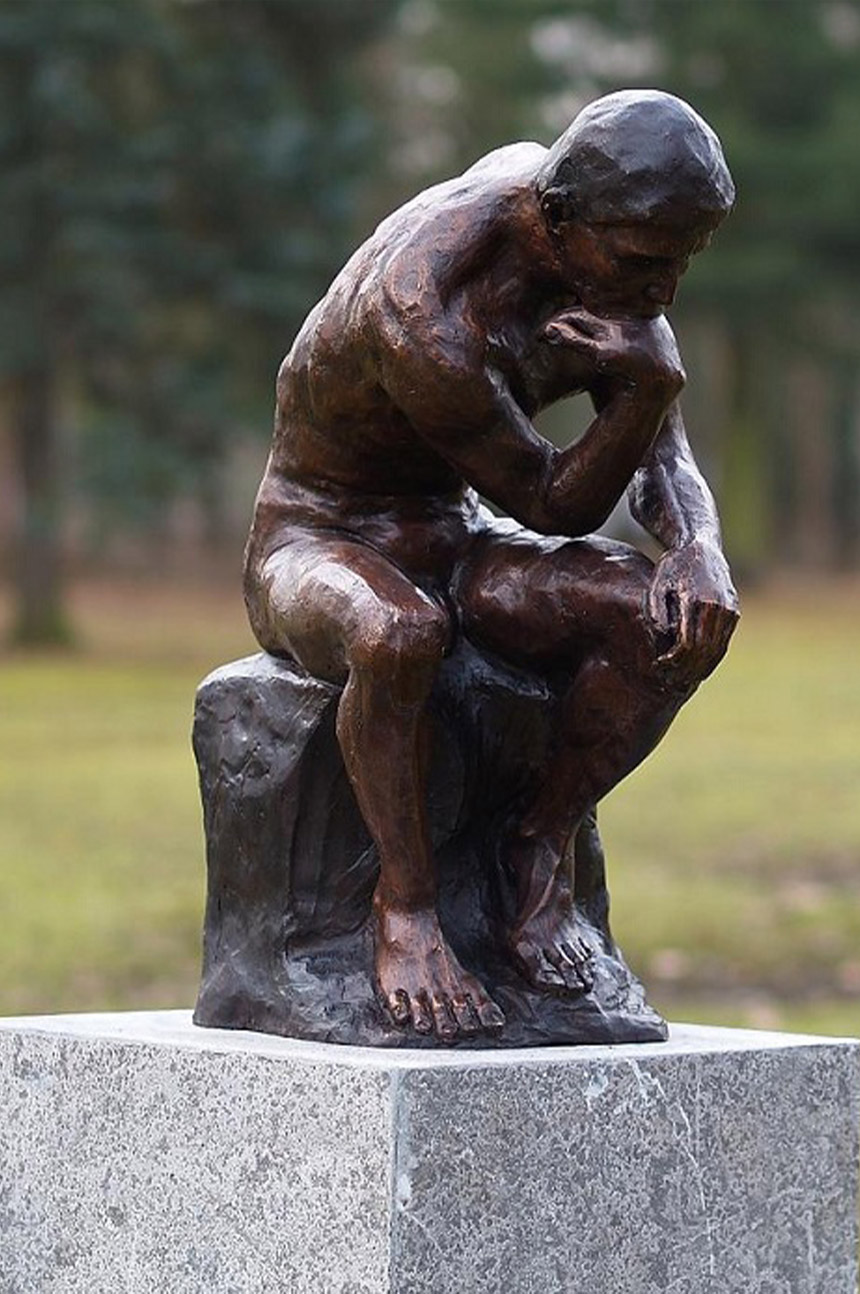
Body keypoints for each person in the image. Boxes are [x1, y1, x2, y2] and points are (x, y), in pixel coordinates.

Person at [244, 90, 740, 1041]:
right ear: (560, 220)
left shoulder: (601, 244)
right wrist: (646, 390)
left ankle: (535, 845)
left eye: (686, 261)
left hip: (457, 534)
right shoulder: (423, 306)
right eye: (647, 263)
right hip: (318, 536)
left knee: (662, 621)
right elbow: (560, 502)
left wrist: (700, 549)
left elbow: (664, 458)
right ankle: (407, 908)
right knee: (399, 633)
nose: (665, 291)